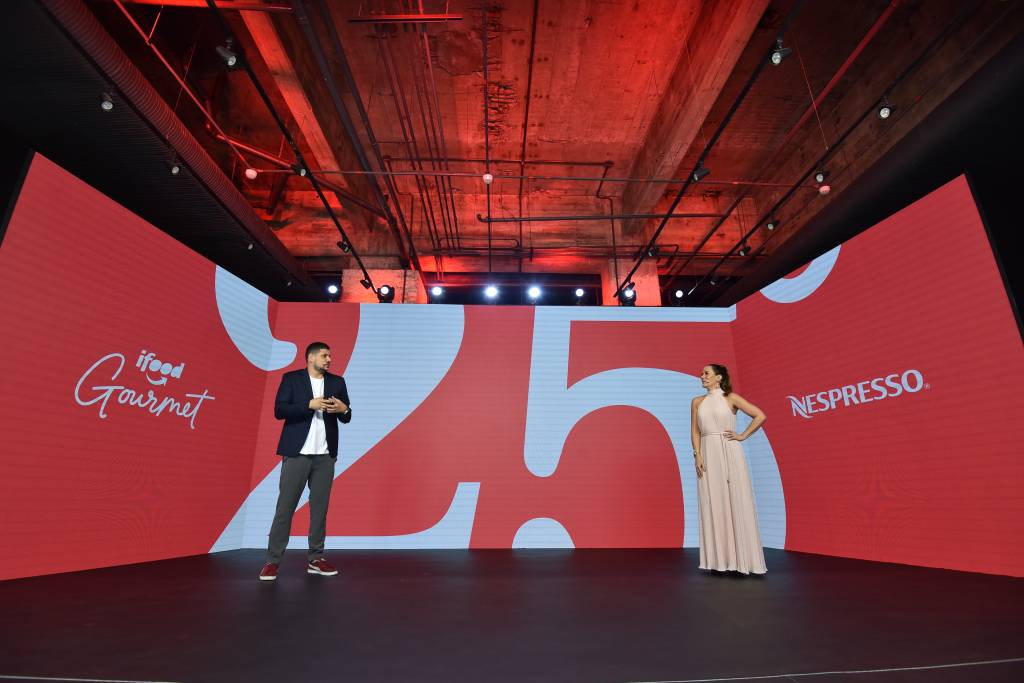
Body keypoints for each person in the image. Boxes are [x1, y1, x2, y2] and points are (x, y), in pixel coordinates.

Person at [259, 342, 351, 582]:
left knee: (320, 509)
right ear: (311, 358)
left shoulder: (337, 382)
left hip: (325, 456)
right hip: (297, 453)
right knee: (285, 508)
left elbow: (347, 415)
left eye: (330, 355)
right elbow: (279, 410)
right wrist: (308, 405)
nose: (329, 359)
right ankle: (272, 561)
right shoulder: (292, 379)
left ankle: (316, 558)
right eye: (324, 355)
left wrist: (343, 409)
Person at [690, 364, 767, 575]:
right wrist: (697, 454)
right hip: (707, 452)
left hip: (730, 451)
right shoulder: (697, 402)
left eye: (706, 373)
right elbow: (695, 431)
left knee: (737, 499)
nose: (702, 376)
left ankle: (743, 560)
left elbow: (760, 415)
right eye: (702, 373)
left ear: (718, 377)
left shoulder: (731, 398)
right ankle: (719, 561)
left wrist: (742, 435)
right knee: (712, 501)